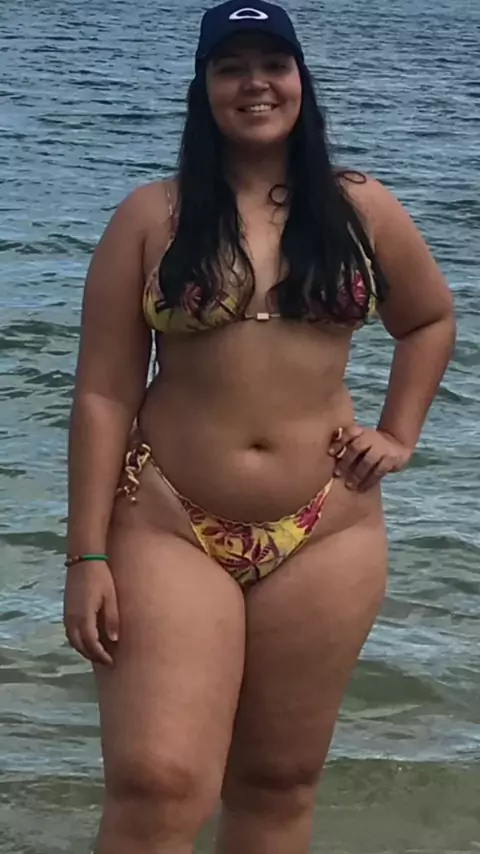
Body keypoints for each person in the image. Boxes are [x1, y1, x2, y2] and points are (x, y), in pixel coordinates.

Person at [63, 1, 455, 852]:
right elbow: (102, 396)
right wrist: (86, 555)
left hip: (327, 529)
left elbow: (428, 320)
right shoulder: (151, 217)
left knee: (278, 782)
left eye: (273, 64)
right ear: (203, 88)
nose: (255, 84)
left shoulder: (360, 208)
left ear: (300, 80)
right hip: (168, 520)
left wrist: (398, 433)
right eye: (230, 67)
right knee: (158, 782)